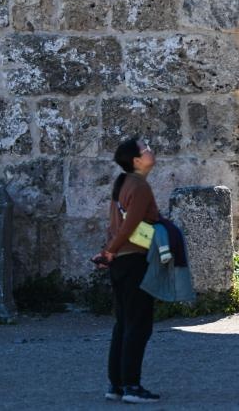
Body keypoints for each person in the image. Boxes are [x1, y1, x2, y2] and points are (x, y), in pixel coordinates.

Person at [95, 137, 161, 404]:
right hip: (135, 259)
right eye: (146, 149)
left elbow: (114, 224)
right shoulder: (140, 186)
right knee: (139, 324)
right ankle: (132, 386)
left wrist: (110, 251)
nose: (150, 151)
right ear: (136, 160)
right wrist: (110, 250)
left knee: (123, 323)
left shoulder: (122, 183)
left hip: (121, 261)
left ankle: (117, 384)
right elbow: (130, 224)